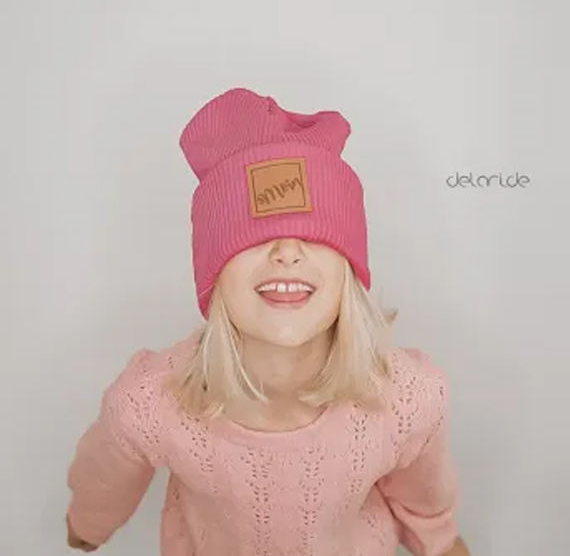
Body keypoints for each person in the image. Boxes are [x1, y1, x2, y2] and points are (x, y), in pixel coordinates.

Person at [65, 88, 471, 556]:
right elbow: (105, 475)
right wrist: (89, 524)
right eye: (256, 236)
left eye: (314, 234)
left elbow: (425, 500)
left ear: (349, 271)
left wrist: (440, 543)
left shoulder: (408, 397)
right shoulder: (151, 400)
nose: (287, 252)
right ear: (214, 274)